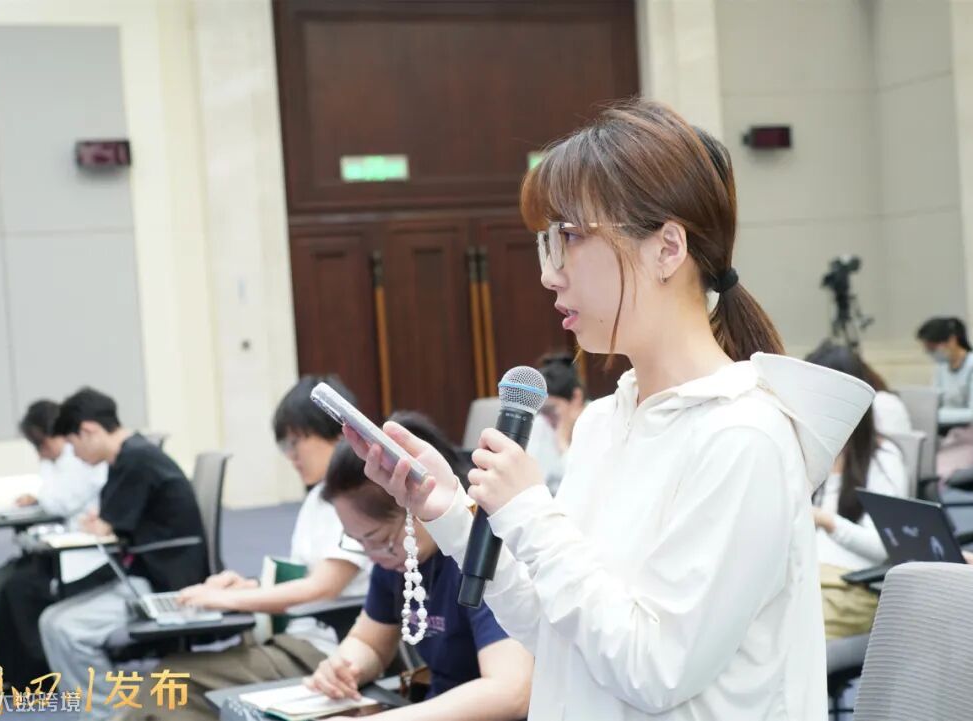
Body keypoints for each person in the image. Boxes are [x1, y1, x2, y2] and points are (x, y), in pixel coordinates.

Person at [344, 100, 871, 719]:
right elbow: (562, 636)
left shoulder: (743, 436)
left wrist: (529, 513)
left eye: (568, 238)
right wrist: (450, 514)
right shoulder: (603, 422)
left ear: (666, 249)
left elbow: (655, 671)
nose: (550, 274)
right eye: (546, 244)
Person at [116, 376, 372, 721]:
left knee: (169, 682)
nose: (291, 456)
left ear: (339, 435)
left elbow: (322, 587)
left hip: (323, 653)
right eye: (285, 445)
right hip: (293, 636)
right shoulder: (319, 496)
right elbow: (307, 578)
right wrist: (248, 587)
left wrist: (226, 600)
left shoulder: (357, 499)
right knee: (169, 682)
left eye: (296, 442)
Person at [309, 411, 532, 720]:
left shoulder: (483, 553)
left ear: (413, 503)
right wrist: (344, 667)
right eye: (358, 542)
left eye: (378, 539)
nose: (373, 555)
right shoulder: (396, 560)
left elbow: (511, 692)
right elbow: (369, 642)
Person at [38, 388, 208, 721]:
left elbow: (106, 526)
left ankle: (111, 716)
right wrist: (102, 526)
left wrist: (101, 526)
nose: (75, 454)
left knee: (67, 629)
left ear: (88, 430)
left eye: (73, 444)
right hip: (146, 572)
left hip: (164, 584)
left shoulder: (135, 460)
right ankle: (101, 713)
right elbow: (110, 523)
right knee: (51, 620)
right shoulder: (129, 456)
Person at [0, 400, 107, 689]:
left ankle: (32, 673)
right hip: (69, 547)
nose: (41, 453)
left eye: (42, 445)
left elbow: (59, 501)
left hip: (86, 555)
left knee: (19, 585)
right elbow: (53, 495)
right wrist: (44, 480)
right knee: (4, 576)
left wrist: (46, 476)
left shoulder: (78, 458)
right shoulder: (64, 459)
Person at [805, 343, 908, 639]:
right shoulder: (815, 451)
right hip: (803, 579)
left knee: (779, 642)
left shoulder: (882, 459)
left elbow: (883, 548)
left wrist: (826, 520)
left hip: (850, 585)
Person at [916, 316, 973, 477]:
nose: (931, 353)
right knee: (920, 465)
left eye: (933, 348)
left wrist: (937, 415)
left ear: (951, 340)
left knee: (938, 472)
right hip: (950, 435)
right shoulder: (941, 368)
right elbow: (935, 400)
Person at [524, 352, 586, 494]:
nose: (546, 417)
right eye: (542, 410)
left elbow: (584, 485)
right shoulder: (542, 422)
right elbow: (531, 481)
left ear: (576, 397)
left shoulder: (598, 420)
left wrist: (562, 442)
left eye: (551, 409)